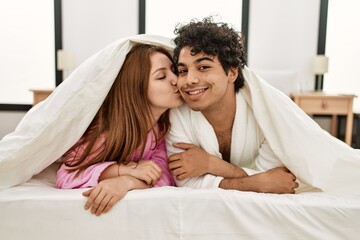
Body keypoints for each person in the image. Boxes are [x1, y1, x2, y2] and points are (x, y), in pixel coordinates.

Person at [166, 17, 299, 194]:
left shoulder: (267, 113)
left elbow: (275, 178)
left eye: (204, 67)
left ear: (232, 72)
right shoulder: (176, 113)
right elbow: (187, 182)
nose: (190, 80)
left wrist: (210, 164)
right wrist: (256, 184)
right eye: (183, 71)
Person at [56, 43, 183, 216]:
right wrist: (123, 170)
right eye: (161, 76)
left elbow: (163, 176)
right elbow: (67, 176)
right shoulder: (104, 131)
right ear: (137, 88)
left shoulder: (160, 130)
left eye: (174, 71)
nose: (176, 80)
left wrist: (127, 182)